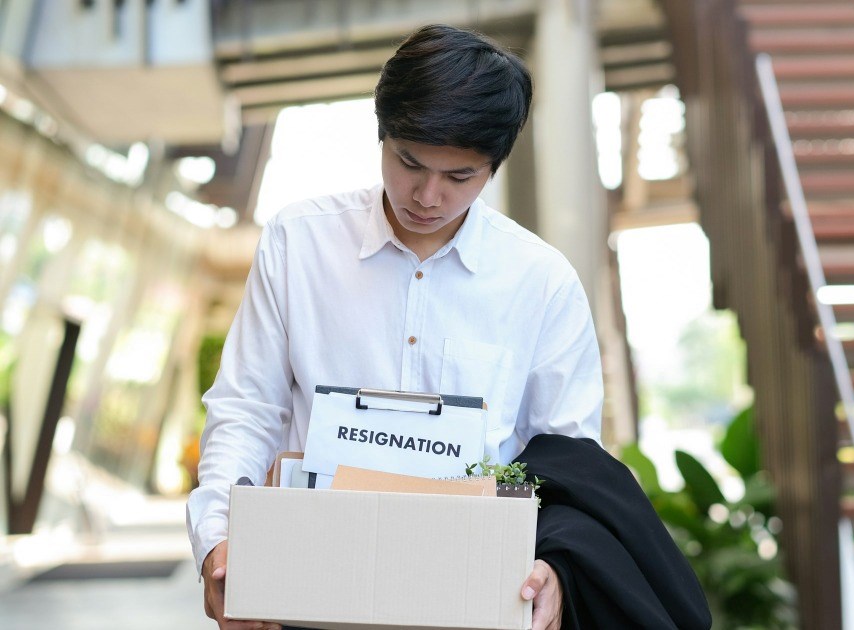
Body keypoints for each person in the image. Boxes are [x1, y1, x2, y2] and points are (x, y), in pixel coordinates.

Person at [186, 24, 604, 630]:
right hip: (308, 589)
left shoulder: (541, 283)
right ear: (381, 133)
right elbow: (246, 408)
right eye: (409, 162)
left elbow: (570, 460)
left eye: (459, 177)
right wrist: (216, 541)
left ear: (493, 168)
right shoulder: (298, 244)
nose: (428, 196)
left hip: (473, 596)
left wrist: (559, 570)